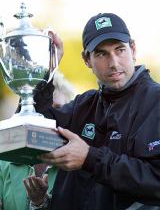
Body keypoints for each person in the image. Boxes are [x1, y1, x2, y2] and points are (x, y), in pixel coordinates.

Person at [23, 13, 160, 210]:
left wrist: (89, 158)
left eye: (120, 50)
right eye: (101, 53)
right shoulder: (84, 104)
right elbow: (30, 129)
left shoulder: (155, 101)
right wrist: (46, 68)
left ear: (133, 49)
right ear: (87, 59)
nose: (114, 63)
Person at [0, 70, 75, 210]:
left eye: (58, 109)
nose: (48, 117)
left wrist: (41, 203)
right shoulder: (4, 161)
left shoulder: (76, 165)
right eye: (40, 110)